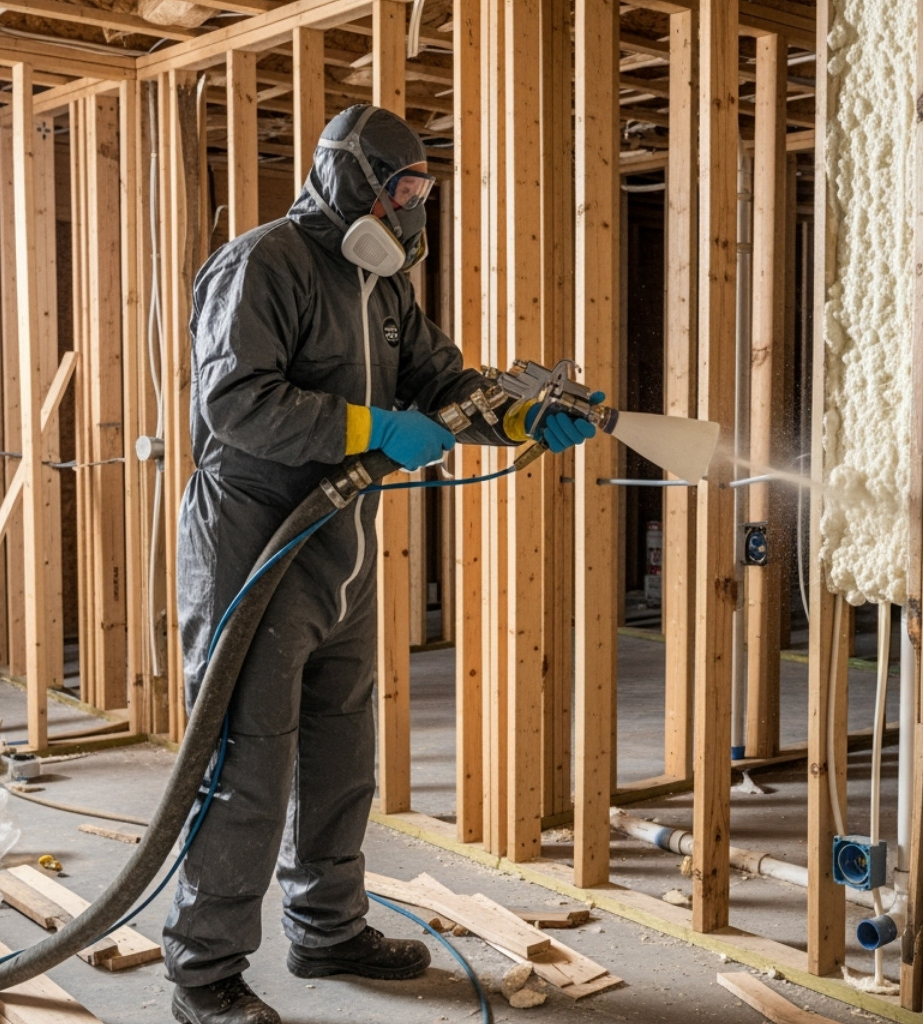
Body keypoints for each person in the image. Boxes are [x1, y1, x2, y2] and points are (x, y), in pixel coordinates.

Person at [162, 104, 599, 1024]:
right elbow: (238, 402)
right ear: (353, 178)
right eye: (402, 189)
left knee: (340, 746)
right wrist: (367, 428)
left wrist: (518, 415)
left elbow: (441, 385)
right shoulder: (265, 264)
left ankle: (326, 929)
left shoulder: (386, 289)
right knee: (246, 763)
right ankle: (204, 974)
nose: (411, 210)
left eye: (420, 193)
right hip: (254, 542)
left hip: (338, 548)